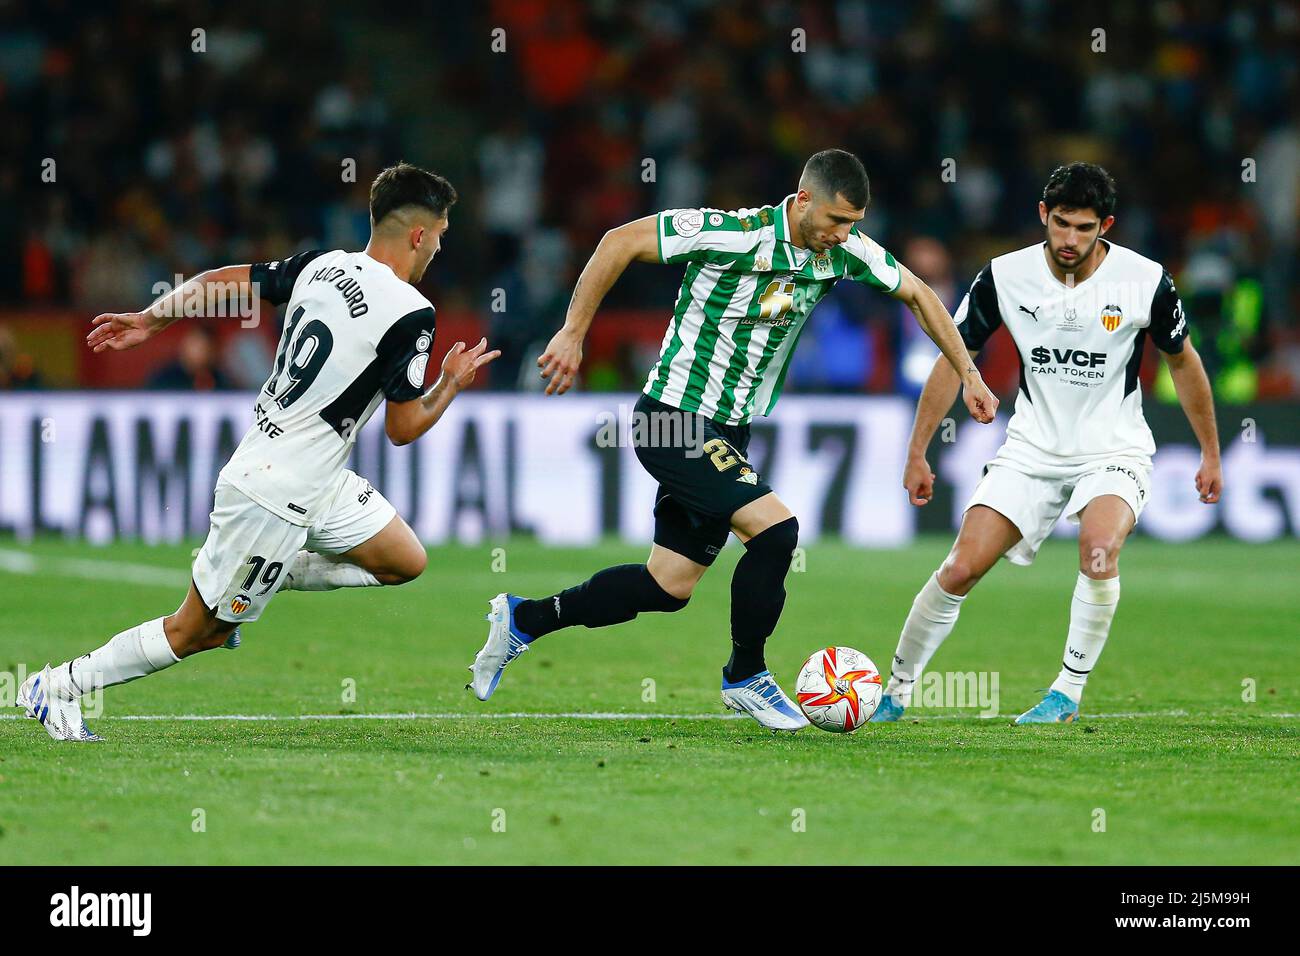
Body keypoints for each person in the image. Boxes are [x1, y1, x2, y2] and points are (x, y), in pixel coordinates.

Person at [468, 148, 998, 731]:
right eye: (836, 221)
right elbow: (618, 240)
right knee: (777, 533)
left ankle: (523, 620)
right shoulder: (733, 232)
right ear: (802, 202)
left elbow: (921, 295)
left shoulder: (843, 254)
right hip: (672, 418)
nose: (845, 234)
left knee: (667, 585)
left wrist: (969, 373)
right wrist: (573, 333)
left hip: (727, 430)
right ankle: (746, 675)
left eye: (854, 223)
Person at [16, 163, 499, 741]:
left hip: (312, 472)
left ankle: (272, 574)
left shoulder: (322, 266)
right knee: (197, 632)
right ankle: (58, 686)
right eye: (440, 235)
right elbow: (402, 427)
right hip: (276, 493)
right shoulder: (411, 313)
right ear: (419, 234)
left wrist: (153, 318)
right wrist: (449, 384)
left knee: (404, 560)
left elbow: (228, 281)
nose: (438, 249)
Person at [873, 162, 1223, 725]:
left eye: (1084, 228)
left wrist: (1211, 452)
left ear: (1105, 225)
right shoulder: (1004, 276)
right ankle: (894, 693)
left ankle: (1066, 692)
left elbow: (1183, 362)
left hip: (1113, 448)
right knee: (961, 568)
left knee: (1098, 549)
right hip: (1031, 449)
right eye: (1060, 224)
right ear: (1043, 215)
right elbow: (953, 357)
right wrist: (917, 452)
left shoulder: (1145, 280)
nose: (1069, 239)